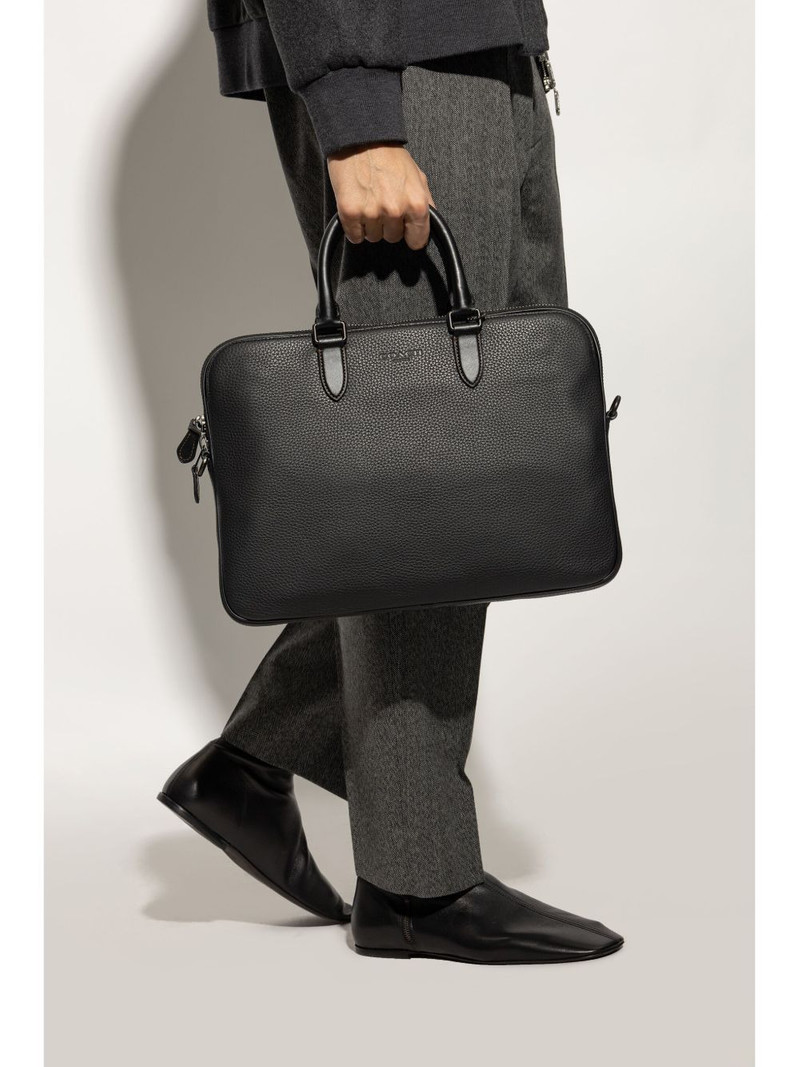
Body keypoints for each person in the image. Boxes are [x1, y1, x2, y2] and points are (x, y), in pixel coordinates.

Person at [158, 0, 624, 964]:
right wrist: (357, 111)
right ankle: (419, 881)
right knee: (429, 462)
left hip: (475, 44)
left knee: (501, 440)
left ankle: (261, 754)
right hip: (392, 59)